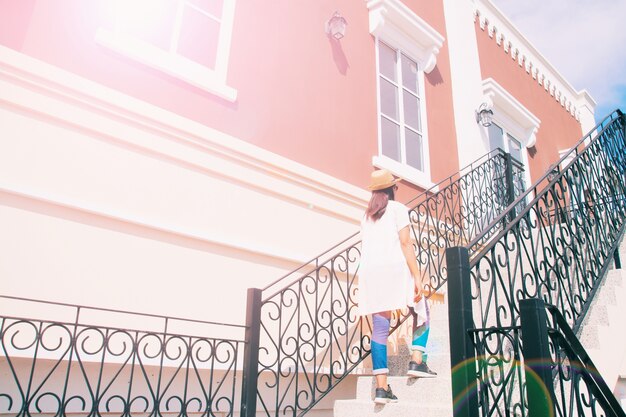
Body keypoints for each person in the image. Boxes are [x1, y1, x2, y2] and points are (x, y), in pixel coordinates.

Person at [358, 169, 437, 404]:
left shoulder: (366, 216)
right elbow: (405, 243)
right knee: (422, 309)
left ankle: (381, 389)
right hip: (394, 269)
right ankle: (417, 360)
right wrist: (417, 276)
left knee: (380, 329)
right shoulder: (398, 209)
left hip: (370, 274)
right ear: (392, 189)